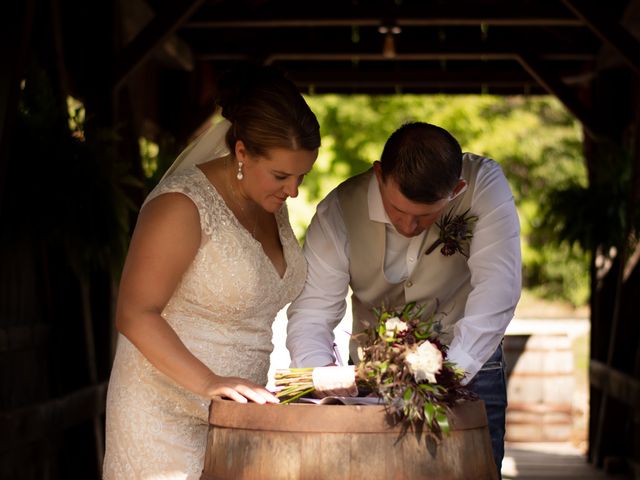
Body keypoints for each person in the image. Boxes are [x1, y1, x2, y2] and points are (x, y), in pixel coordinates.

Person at [103, 65, 320, 479]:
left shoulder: (269, 199)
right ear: (241, 152)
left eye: (301, 176)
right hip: (162, 411)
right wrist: (208, 382)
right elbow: (134, 313)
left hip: (237, 417)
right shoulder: (181, 206)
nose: (293, 190)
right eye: (281, 175)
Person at [286, 122, 521, 478]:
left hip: (471, 361)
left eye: (425, 216)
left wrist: (448, 377)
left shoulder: (483, 183)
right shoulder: (338, 210)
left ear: (456, 190)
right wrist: (325, 391)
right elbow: (313, 312)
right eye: (398, 210)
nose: (409, 226)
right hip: (372, 372)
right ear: (379, 173)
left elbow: (498, 288)